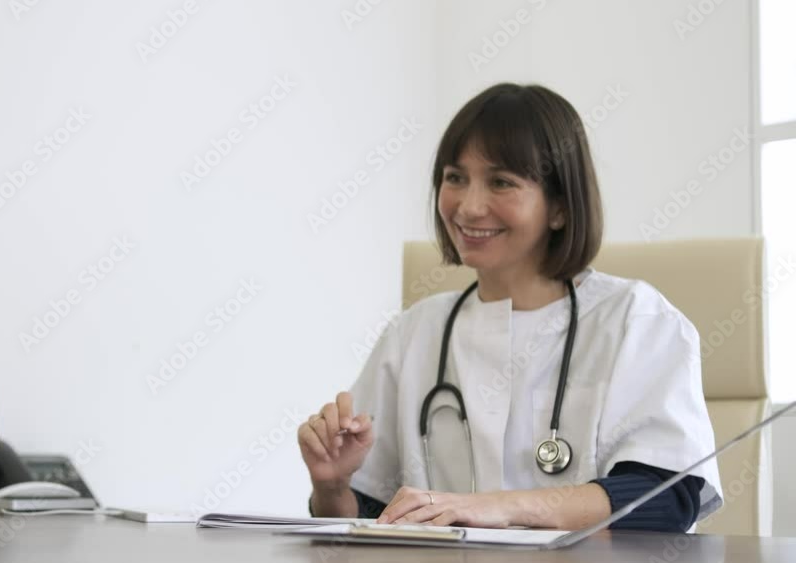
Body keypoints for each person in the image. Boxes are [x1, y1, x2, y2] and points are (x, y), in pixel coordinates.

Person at [297, 83, 723, 532]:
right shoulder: (413, 333)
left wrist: (498, 507)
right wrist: (333, 488)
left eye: (501, 182)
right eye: (455, 178)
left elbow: (668, 498)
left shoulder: (636, 320)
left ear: (559, 207)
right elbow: (374, 519)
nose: (469, 206)